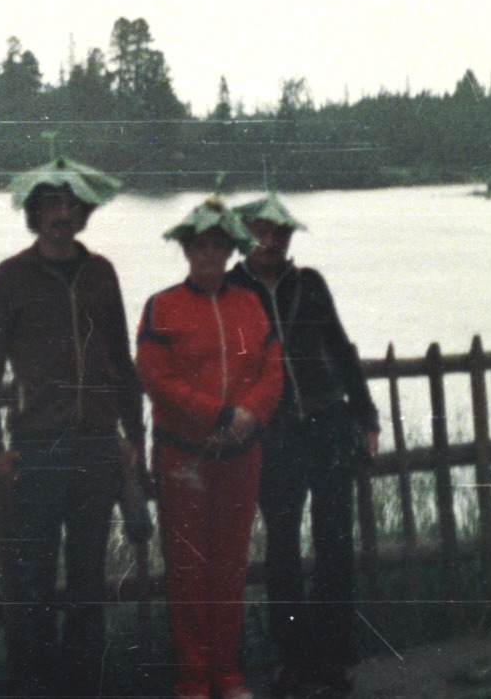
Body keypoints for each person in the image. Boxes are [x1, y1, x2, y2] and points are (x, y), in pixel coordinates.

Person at [0, 154, 145, 698]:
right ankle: (36, 689)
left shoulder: (102, 274)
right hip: (37, 449)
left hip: (95, 448)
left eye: (70, 204)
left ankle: (83, 688)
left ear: (83, 212)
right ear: (34, 212)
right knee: (34, 586)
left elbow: (121, 358)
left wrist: (133, 436)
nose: (61, 214)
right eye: (50, 204)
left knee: (89, 583)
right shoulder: (10, 278)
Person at [228, 192, 379, 698]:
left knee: (336, 542)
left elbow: (340, 346)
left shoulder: (310, 284)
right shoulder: (231, 290)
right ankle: (293, 657)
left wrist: (367, 415)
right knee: (284, 549)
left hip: (329, 426)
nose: (272, 241)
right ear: (246, 234)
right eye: (262, 231)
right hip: (275, 436)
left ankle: (334, 656)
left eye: (282, 233)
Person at [137, 198, 282, 699]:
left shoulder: (250, 304)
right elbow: (156, 378)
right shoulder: (162, 306)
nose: (209, 254)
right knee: (188, 568)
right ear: (186, 249)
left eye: (218, 245)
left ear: (229, 250)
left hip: (241, 454)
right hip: (184, 459)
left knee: (230, 566)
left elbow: (271, 368)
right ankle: (193, 679)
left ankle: (228, 673)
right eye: (200, 245)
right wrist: (216, 413)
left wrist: (251, 414)